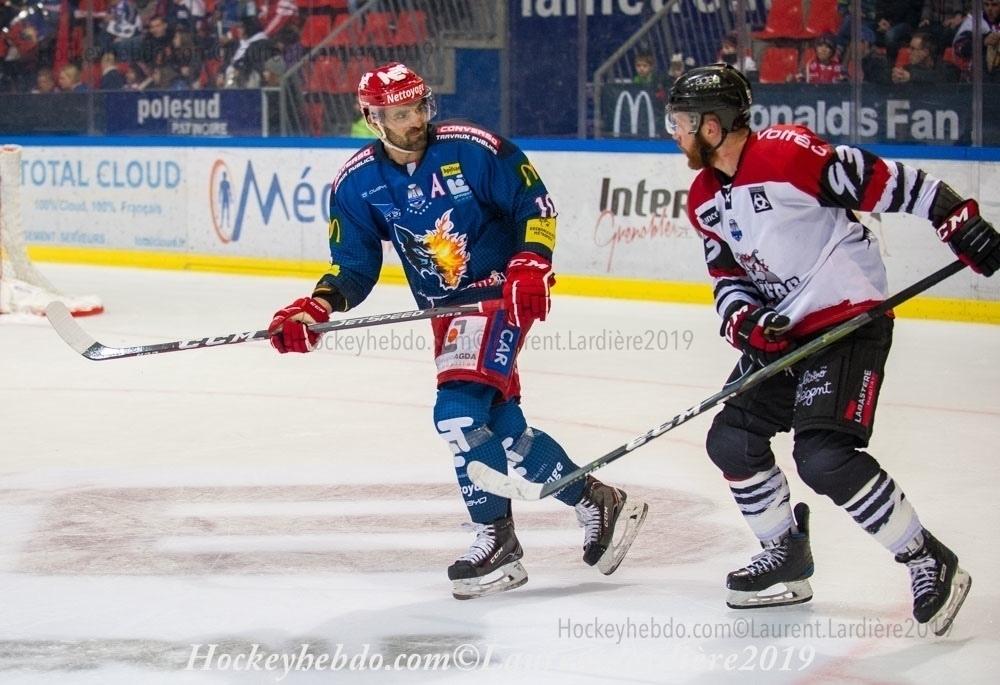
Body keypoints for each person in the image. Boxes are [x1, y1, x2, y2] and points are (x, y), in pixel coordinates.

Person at [266, 62, 649, 600]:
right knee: (502, 428)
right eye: (399, 114)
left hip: (499, 294)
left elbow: (535, 205)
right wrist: (317, 307)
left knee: (459, 415)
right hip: (445, 313)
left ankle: (497, 540)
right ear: (373, 119)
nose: (414, 121)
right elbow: (353, 266)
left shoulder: (472, 148)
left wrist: (531, 262)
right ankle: (595, 500)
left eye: (418, 108)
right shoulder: (357, 183)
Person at [666, 63, 999, 634]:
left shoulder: (786, 154)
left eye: (682, 121)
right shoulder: (703, 198)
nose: (675, 132)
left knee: (823, 457)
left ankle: (927, 559)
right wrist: (746, 322)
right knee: (732, 440)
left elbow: (888, 180)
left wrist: (955, 218)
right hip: (786, 335)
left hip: (847, 322)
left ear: (713, 125)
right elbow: (727, 276)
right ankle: (785, 552)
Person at [891, 32, 959, 83]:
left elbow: (941, 77)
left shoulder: (947, 68)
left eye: (913, 49)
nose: (909, 51)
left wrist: (911, 76)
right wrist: (897, 79)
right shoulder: (908, 69)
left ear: (926, 52)